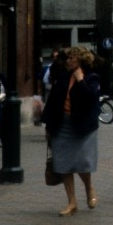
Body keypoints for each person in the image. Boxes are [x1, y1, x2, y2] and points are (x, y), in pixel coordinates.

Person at [41, 47, 101, 215]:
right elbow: (52, 102)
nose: (67, 61)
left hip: (82, 126)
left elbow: (91, 98)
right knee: (64, 163)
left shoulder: (92, 78)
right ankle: (72, 202)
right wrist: (48, 127)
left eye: (71, 58)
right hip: (62, 125)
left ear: (80, 60)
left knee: (81, 162)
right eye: (67, 58)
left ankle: (89, 189)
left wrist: (81, 81)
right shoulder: (63, 78)